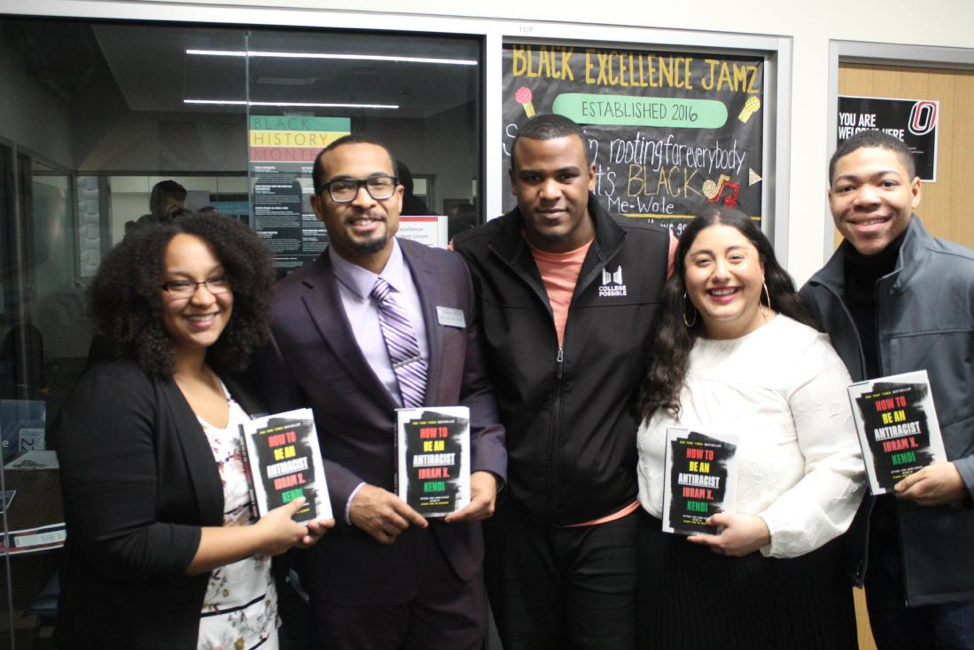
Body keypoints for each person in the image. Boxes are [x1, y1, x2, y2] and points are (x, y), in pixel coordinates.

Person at [251, 134, 507, 649]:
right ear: (317, 205)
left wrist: (487, 466)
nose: (364, 200)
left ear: (399, 195)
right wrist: (349, 498)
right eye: (343, 187)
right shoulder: (280, 310)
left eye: (378, 184)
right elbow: (276, 433)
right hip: (355, 562)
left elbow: (475, 386)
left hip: (453, 552)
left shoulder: (449, 272)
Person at [53, 214, 331, 649]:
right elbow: (122, 543)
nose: (204, 299)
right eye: (178, 284)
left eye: (217, 279)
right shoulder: (111, 395)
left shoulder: (231, 382)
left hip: (256, 626)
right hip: (166, 634)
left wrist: (291, 525)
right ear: (142, 298)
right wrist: (261, 537)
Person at [453, 113, 675, 649]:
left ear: (592, 176)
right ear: (514, 183)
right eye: (533, 178)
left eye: (566, 175)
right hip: (513, 519)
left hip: (614, 519)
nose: (549, 192)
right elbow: (463, 378)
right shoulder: (472, 257)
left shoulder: (653, 254)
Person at [635, 206, 865, 649]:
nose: (720, 274)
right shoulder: (667, 348)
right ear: (683, 277)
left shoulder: (802, 352)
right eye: (702, 261)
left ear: (763, 266)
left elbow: (843, 464)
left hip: (775, 572)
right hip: (674, 575)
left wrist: (768, 529)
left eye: (736, 257)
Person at [800, 130, 974, 649]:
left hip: (960, 554)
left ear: (915, 191)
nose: (866, 199)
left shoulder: (964, 280)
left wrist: (964, 477)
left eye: (885, 182)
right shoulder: (817, 299)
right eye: (848, 187)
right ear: (832, 200)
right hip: (879, 557)